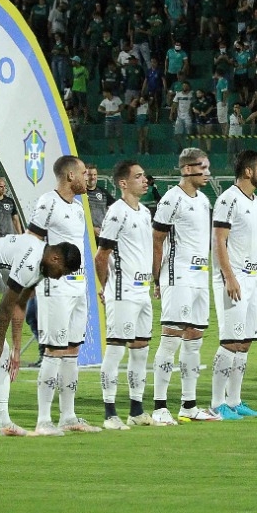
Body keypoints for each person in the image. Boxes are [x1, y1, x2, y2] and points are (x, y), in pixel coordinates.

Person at [0, 234, 83, 436]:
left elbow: (19, 305)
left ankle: (2, 423)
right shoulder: (30, 261)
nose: (59, 277)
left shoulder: (42, 267)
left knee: (3, 355)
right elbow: (5, 309)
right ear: (55, 259)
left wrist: (16, 349)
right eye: (62, 272)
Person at [28, 154, 99, 435]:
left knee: (71, 351)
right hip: (55, 287)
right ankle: (44, 420)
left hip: (78, 287)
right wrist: (34, 281)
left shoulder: (79, 209)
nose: (86, 177)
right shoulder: (48, 202)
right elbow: (31, 241)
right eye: (83, 173)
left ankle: (68, 416)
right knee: (54, 351)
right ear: (70, 176)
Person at [150, 147, 214, 426]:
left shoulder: (203, 200)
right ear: (188, 169)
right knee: (171, 337)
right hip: (178, 275)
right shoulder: (170, 200)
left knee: (194, 339)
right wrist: (155, 278)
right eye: (204, 167)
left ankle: (189, 404)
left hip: (200, 276)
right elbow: (157, 240)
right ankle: (159, 406)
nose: (208, 173)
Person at [94, 160, 159, 429]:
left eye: (144, 176)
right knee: (116, 349)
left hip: (143, 291)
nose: (145, 180)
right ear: (123, 183)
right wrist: (106, 286)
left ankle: (136, 410)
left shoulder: (144, 212)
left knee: (141, 351)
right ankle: (110, 413)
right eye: (139, 176)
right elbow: (101, 255)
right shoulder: (116, 213)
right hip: (122, 291)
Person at [208, 150, 257, 420]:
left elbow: (256, 246)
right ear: (248, 172)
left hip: (251, 278)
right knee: (229, 342)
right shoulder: (228, 199)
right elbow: (219, 241)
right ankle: (216, 403)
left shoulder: (256, 202)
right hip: (232, 279)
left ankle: (234, 401)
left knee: (245, 342)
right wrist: (230, 277)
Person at [85, 164, 111, 229]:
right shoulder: (79, 194)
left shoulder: (103, 192)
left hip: (101, 234)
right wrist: (92, 229)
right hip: (86, 234)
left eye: (95, 175)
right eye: (89, 175)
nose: (93, 177)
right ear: (84, 176)